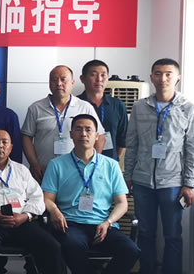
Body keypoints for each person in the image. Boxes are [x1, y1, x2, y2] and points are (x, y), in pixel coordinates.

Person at [125, 58, 194, 274]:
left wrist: (189, 183)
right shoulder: (140, 107)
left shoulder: (188, 108)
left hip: (173, 182)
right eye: (158, 73)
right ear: (151, 77)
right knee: (145, 233)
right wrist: (128, 176)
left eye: (169, 74)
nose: (163, 78)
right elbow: (132, 144)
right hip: (142, 181)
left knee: (173, 235)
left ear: (178, 78)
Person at [42, 114, 139, 274]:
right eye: (78, 129)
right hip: (70, 224)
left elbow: (122, 203)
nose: (83, 134)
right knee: (72, 245)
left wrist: (108, 222)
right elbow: (47, 198)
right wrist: (54, 211)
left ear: (97, 136)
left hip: (103, 224)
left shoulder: (111, 165)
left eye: (88, 130)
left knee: (131, 250)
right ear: (71, 134)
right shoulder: (56, 164)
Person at [0, 129, 64, 274]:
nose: (0, 146)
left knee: (52, 246)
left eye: (5, 142)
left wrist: (25, 216)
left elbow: (37, 197)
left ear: (11, 147)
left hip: (21, 222)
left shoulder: (21, 170)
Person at [22, 65, 105, 183]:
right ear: (49, 83)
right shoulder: (36, 108)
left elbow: (100, 136)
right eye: (54, 80)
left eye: (63, 79)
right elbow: (26, 137)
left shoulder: (84, 107)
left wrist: (91, 163)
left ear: (72, 83)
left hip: (78, 171)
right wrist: (34, 164)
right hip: (44, 171)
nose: (59, 83)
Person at [78, 60, 128, 160]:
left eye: (103, 75)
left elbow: (123, 139)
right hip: (80, 162)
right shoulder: (75, 104)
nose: (99, 79)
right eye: (93, 75)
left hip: (109, 161)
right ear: (82, 79)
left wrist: (114, 160)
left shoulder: (118, 105)